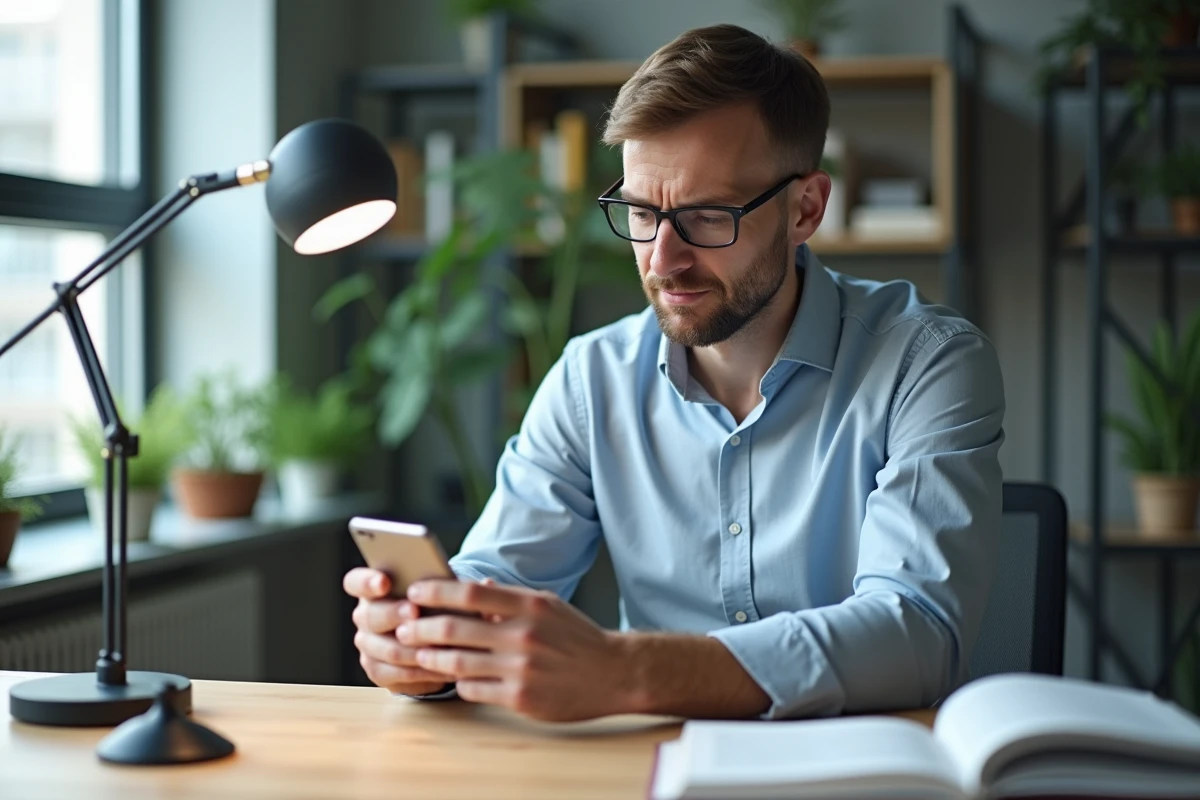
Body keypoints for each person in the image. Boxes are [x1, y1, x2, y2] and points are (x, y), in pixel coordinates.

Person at [344, 23, 1004, 723]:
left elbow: (914, 633)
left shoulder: (926, 363)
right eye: (640, 212)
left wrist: (626, 672)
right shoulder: (589, 380)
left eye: (706, 216)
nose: (662, 261)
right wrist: (424, 643)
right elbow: (498, 577)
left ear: (805, 207)